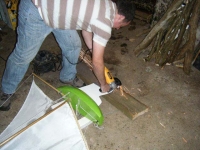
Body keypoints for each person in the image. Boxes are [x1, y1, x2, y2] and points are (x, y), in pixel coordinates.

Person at [0, 0, 135, 111]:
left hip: (59, 15)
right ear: (120, 17)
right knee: (23, 56)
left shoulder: (105, 4)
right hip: (37, 11)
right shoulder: (105, 22)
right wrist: (104, 84)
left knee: (73, 46)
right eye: (120, 25)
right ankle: (6, 91)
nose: (117, 28)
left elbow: (86, 29)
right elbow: (97, 63)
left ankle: (67, 77)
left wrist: (95, 52)